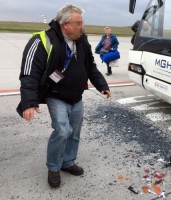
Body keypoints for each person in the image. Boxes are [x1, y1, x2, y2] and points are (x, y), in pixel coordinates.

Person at [16, 4, 111, 188]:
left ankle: (68, 162)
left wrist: (102, 85)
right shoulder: (43, 40)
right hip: (56, 95)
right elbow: (29, 73)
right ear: (65, 24)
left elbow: (90, 65)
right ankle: (53, 167)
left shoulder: (81, 40)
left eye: (82, 23)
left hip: (76, 96)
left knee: (74, 133)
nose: (82, 27)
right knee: (62, 130)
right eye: (78, 23)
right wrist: (29, 102)